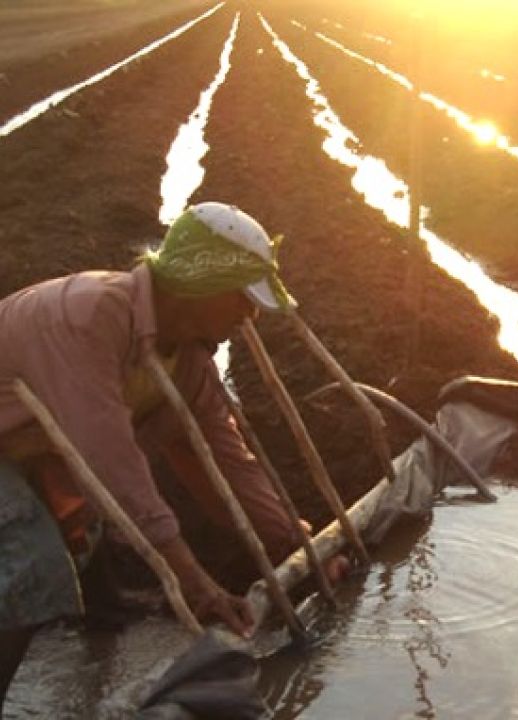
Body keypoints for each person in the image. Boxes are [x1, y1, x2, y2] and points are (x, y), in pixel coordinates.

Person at [0, 202, 316, 711]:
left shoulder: (188, 356)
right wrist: (191, 578)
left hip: (40, 444)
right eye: (243, 299)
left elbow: (225, 458)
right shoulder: (89, 317)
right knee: (30, 562)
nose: (250, 315)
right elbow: (109, 460)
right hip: (10, 443)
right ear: (202, 287)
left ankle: (103, 605)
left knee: (91, 511)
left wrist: (292, 540)